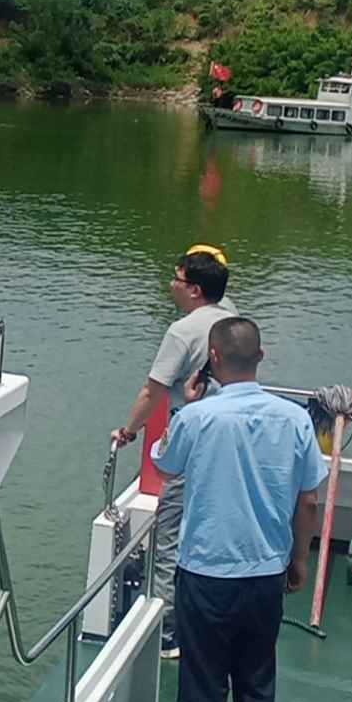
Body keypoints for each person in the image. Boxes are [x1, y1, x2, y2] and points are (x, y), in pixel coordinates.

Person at [154, 317, 326, 702]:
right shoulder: (295, 419)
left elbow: (165, 464)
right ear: (260, 355)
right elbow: (309, 501)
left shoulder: (196, 418)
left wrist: (186, 407)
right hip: (266, 574)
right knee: (257, 686)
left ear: (212, 358)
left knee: (201, 690)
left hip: (204, 575)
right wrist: (299, 560)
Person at [110, 246, 237, 655]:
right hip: (234, 442)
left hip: (197, 441)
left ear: (194, 290)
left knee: (169, 534)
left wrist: (129, 431)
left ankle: (167, 634)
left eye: (177, 278)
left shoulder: (182, 332)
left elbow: (153, 392)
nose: (171, 285)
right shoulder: (232, 318)